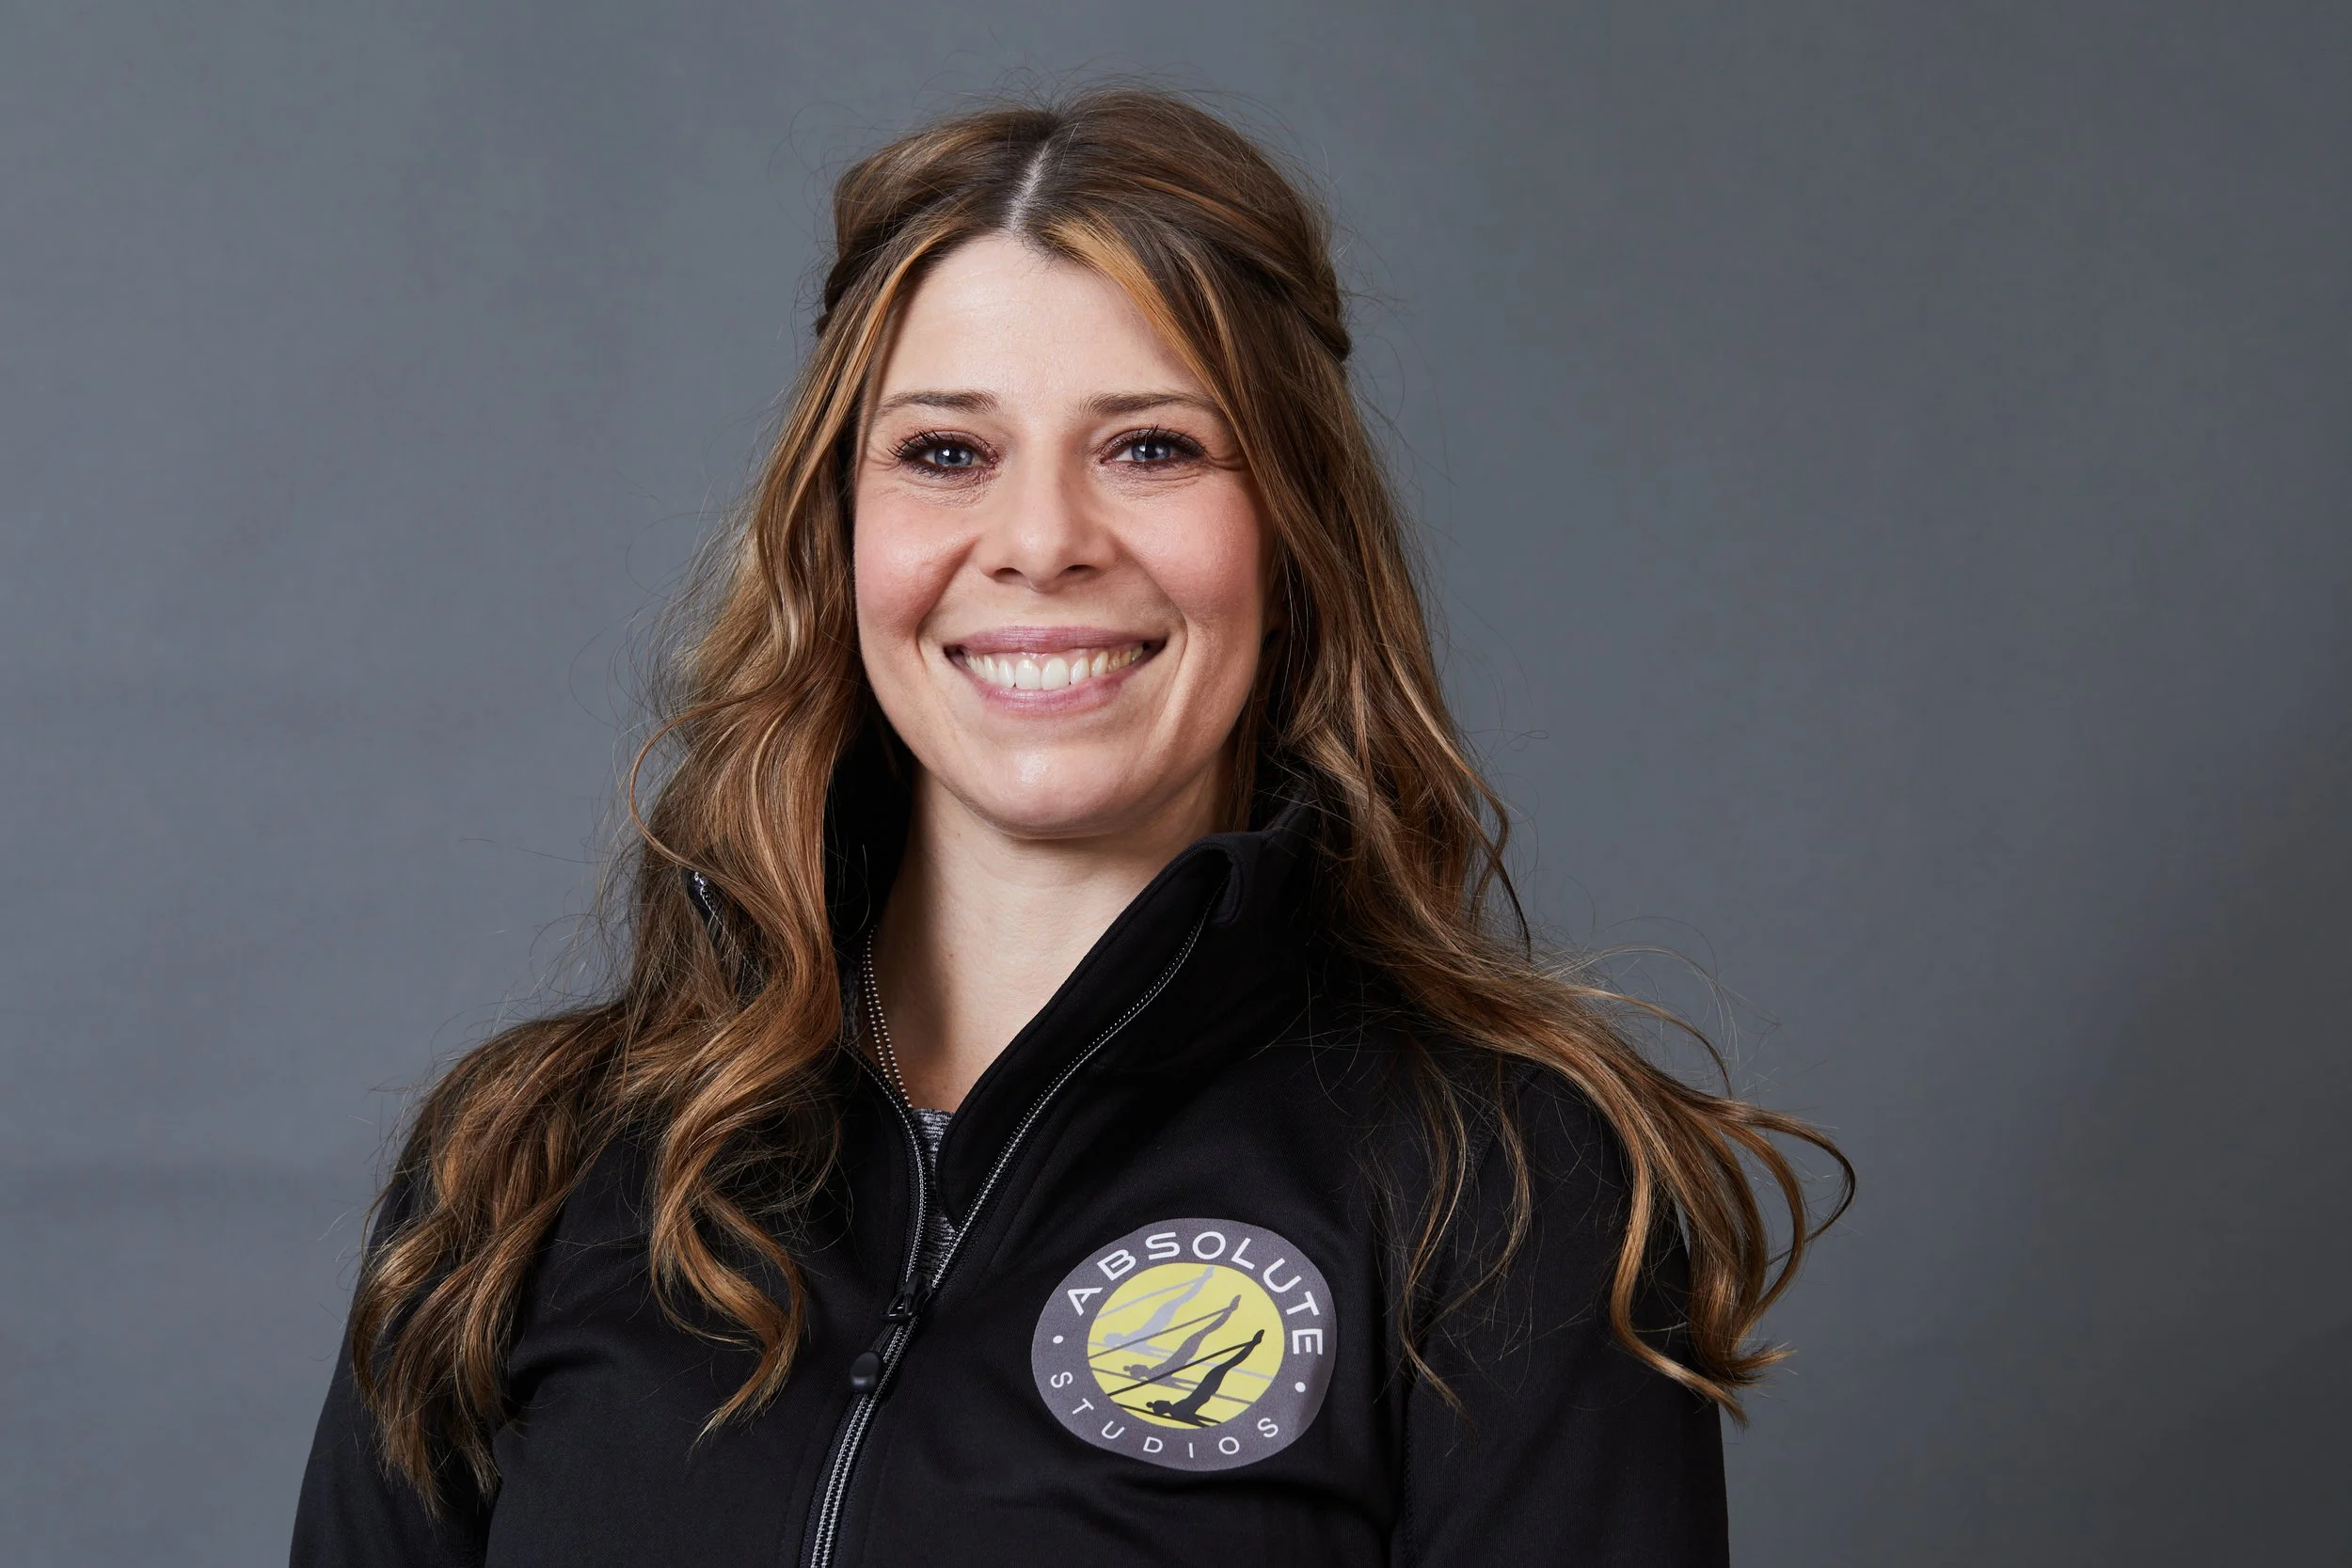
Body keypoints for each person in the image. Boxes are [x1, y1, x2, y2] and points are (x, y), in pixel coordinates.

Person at [293, 87, 1848, 1567]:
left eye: (1151, 446)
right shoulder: (526, 1166)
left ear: (1292, 531)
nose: (1039, 542)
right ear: (839, 534)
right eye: (946, 453)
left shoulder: (1499, 1187)